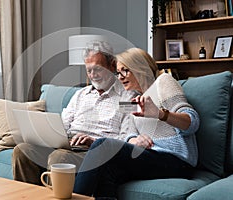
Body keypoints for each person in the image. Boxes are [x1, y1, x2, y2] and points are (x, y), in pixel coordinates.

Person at [73, 47, 200, 198]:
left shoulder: (163, 82)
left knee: (102, 145)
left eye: (125, 71)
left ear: (139, 68)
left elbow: (192, 122)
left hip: (176, 160)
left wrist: (160, 114)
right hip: (148, 156)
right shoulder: (133, 99)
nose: (120, 77)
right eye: (118, 73)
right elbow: (129, 134)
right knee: (106, 170)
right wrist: (133, 140)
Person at [12, 41, 137, 185]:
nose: (93, 75)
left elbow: (126, 138)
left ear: (112, 65)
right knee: (22, 150)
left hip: (94, 152)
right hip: (69, 145)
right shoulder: (81, 94)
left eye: (97, 69)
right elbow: (63, 125)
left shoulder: (127, 96)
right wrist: (49, 135)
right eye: (89, 70)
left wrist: (94, 142)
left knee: (60, 158)